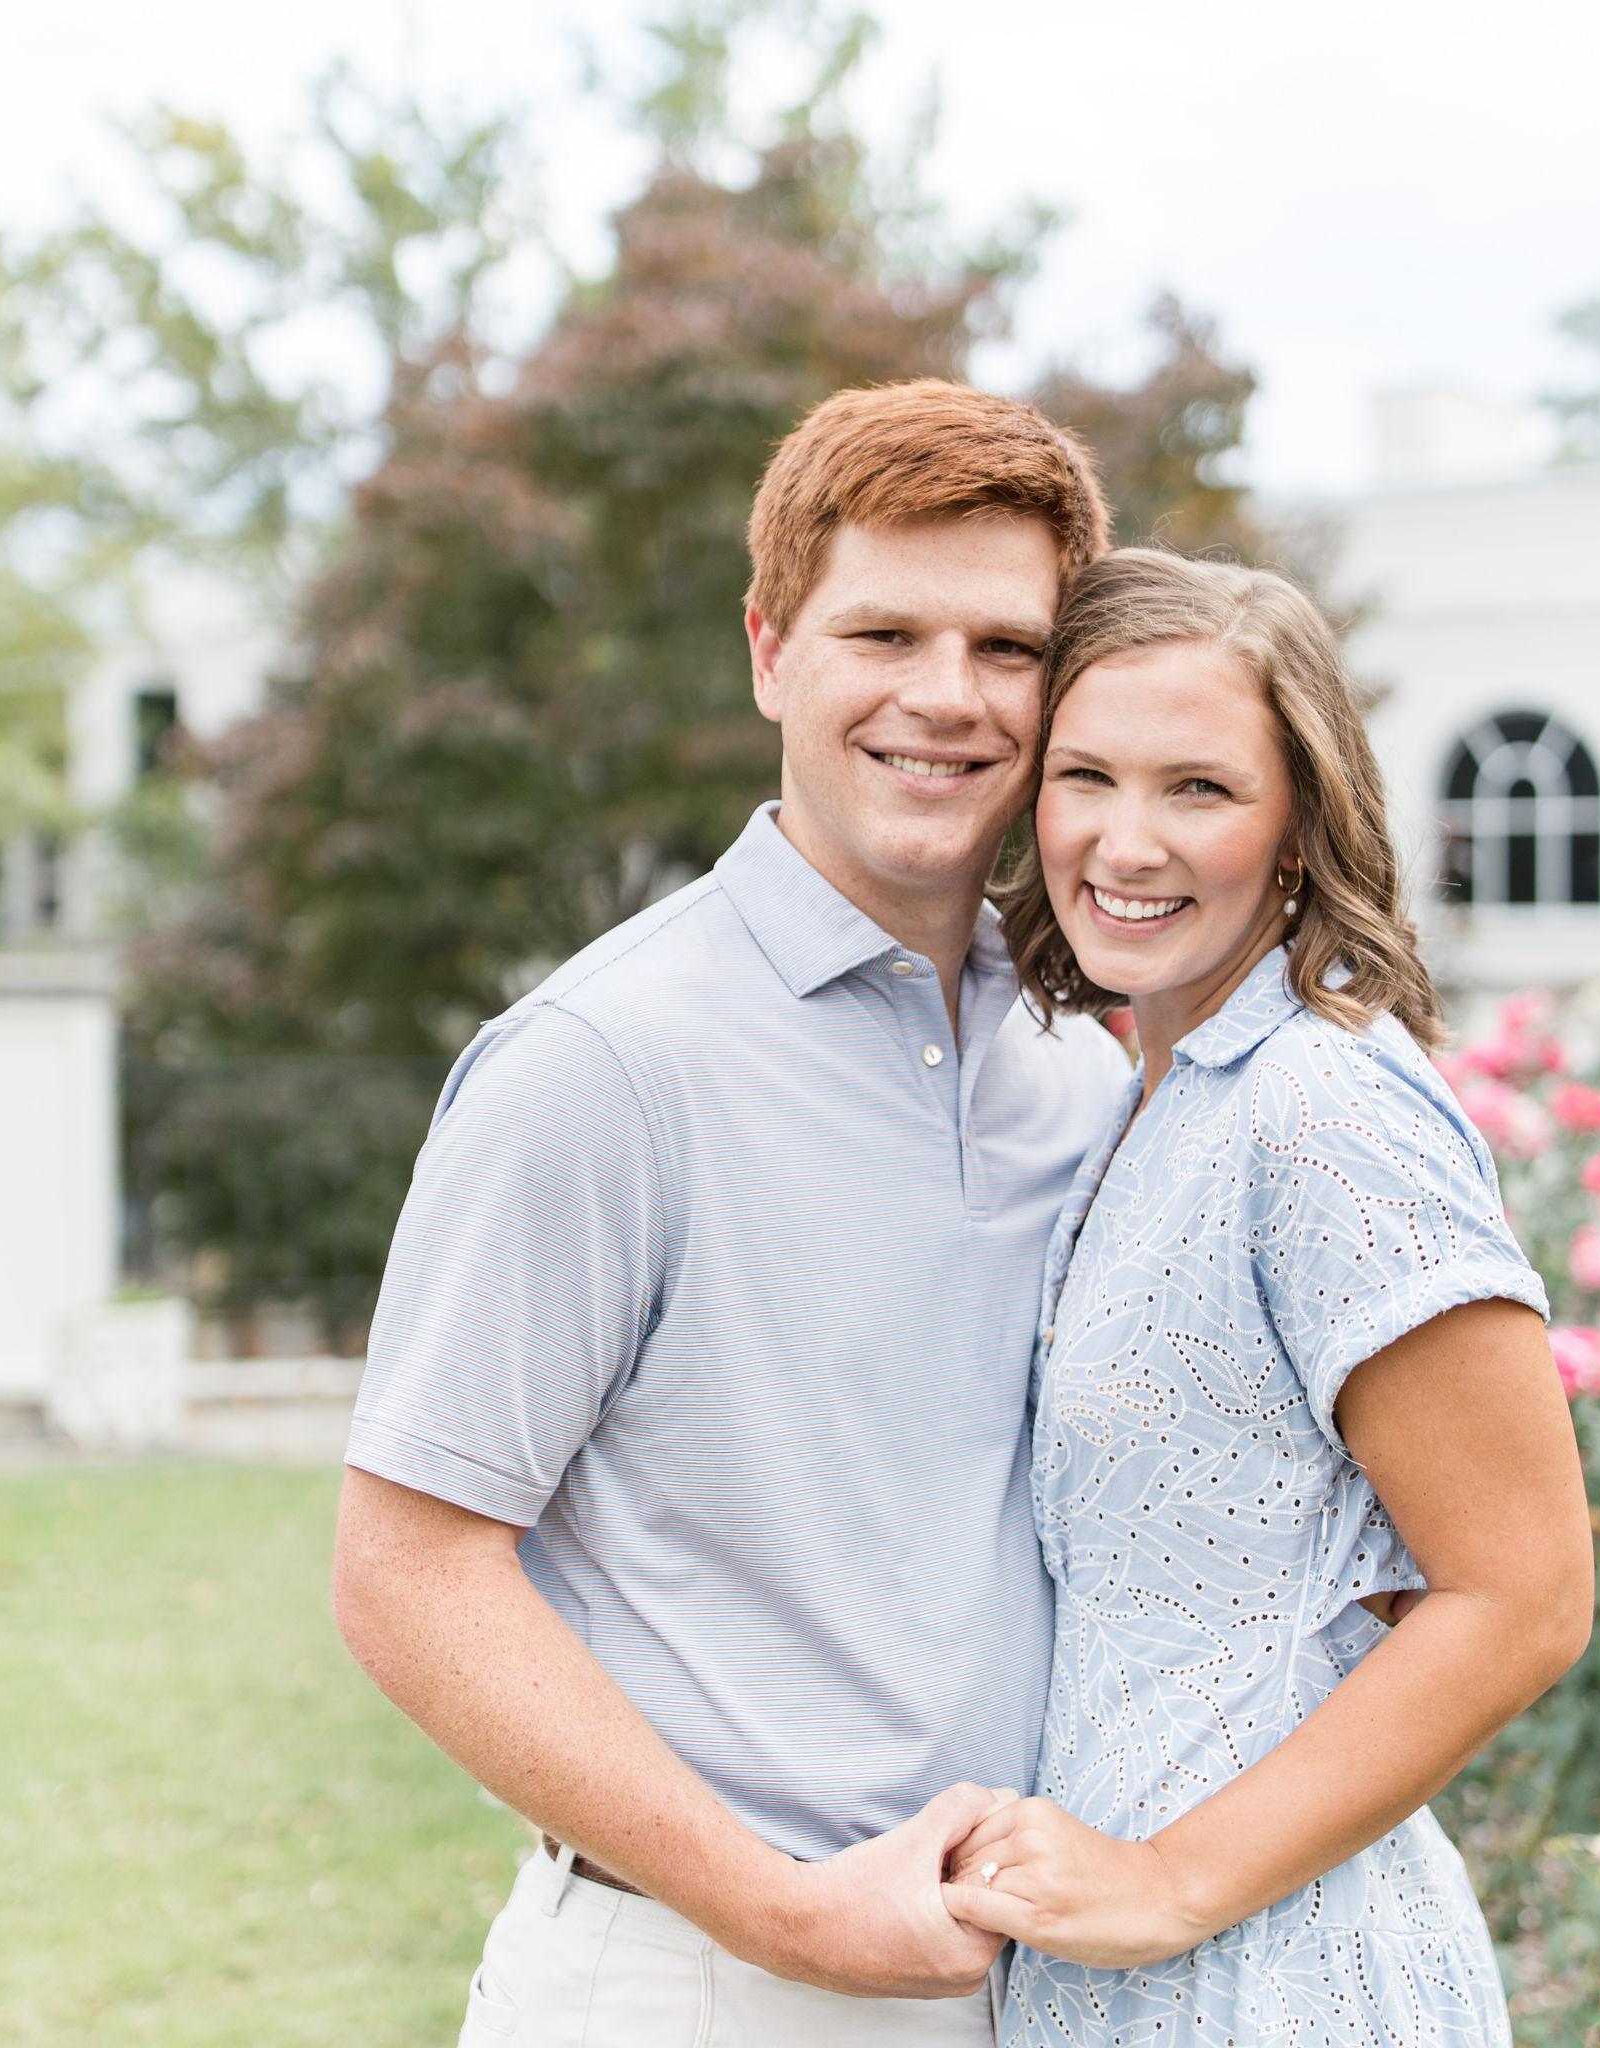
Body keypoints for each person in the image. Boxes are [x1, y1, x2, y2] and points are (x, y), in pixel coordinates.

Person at [331, 379, 1134, 2046]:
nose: (946, 696)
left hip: (1025, 1981)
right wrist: (780, 1910)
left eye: (1005, 648)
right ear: (770, 651)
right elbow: (407, 1570)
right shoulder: (602, 1063)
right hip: (699, 1980)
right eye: (883, 633)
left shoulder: (1080, 1062)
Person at [940, 548, 1596, 2045]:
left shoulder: (1323, 1105)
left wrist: (1170, 1880)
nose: (1126, 842)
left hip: (1276, 1975)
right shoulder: (1152, 1097)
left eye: (1200, 789)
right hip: (1123, 1972)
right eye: (1086, 776)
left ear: (1301, 824)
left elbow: (1528, 1594)